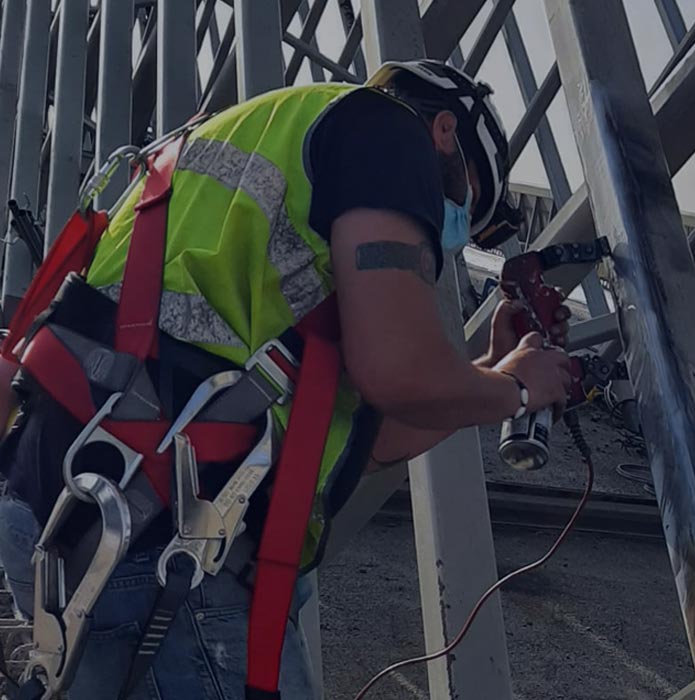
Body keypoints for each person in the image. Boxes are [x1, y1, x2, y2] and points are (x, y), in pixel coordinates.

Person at [0, 60, 572, 699]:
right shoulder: (388, 132)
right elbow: (396, 372)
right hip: (157, 540)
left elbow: (370, 438)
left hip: (67, 503)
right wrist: (520, 390)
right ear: (443, 131)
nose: (444, 227)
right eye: (463, 199)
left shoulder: (258, 142)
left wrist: (486, 381)